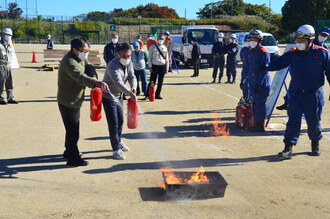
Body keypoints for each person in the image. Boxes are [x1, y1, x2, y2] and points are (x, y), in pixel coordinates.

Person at [267, 24, 330, 160]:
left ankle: (315, 144)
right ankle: (287, 148)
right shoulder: (292, 54)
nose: (299, 43)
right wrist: (264, 66)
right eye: (298, 41)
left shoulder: (322, 53)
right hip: (296, 94)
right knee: (293, 121)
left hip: (314, 94)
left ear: (310, 40)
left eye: (302, 41)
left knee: (314, 121)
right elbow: (277, 64)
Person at [57, 36, 109, 166]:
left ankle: (69, 151)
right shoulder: (69, 62)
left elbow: (88, 66)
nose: (86, 53)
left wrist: (93, 75)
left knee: (71, 128)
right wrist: (97, 83)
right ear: (75, 50)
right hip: (68, 101)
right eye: (84, 51)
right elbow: (80, 77)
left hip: (74, 99)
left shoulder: (79, 57)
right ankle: (73, 158)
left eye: (88, 50)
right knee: (73, 130)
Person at [102, 43, 137, 160]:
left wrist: (133, 87)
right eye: (124, 56)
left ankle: (119, 141)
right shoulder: (112, 66)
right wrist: (130, 94)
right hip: (109, 96)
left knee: (120, 120)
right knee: (113, 122)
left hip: (119, 95)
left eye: (129, 56)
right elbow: (118, 83)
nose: (127, 58)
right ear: (117, 54)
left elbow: (132, 76)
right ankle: (115, 149)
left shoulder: (129, 63)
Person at [246, 29, 271, 132]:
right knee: (255, 103)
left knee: (260, 103)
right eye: (251, 38)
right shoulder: (251, 52)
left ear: (259, 40)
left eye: (255, 39)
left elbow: (264, 70)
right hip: (253, 81)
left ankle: (260, 125)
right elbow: (249, 68)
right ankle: (256, 122)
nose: (252, 40)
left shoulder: (264, 52)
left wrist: (259, 84)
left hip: (262, 82)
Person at [0, 28, 18, 105]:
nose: (8, 37)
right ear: (2, 35)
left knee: (9, 82)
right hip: (1, 65)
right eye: (6, 35)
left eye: (10, 35)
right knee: (1, 82)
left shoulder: (10, 45)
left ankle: (10, 97)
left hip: (8, 65)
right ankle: (0, 98)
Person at [148, 34, 169, 99]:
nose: (161, 40)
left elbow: (167, 59)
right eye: (160, 38)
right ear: (157, 39)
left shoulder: (165, 48)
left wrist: (167, 68)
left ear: (164, 40)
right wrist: (150, 66)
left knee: (160, 81)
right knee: (152, 81)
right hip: (154, 66)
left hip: (162, 66)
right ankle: (149, 94)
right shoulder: (152, 47)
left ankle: (158, 94)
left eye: (162, 39)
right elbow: (149, 57)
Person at [239, 35, 251, 100]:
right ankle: (245, 100)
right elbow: (242, 59)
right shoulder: (243, 50)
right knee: (244, 86)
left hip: (252, 72)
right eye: (246, 41)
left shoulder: (253, 50)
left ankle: (251, 101)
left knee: (251, 88)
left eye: (248, 41)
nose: (247, 42)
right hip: (245, 71)